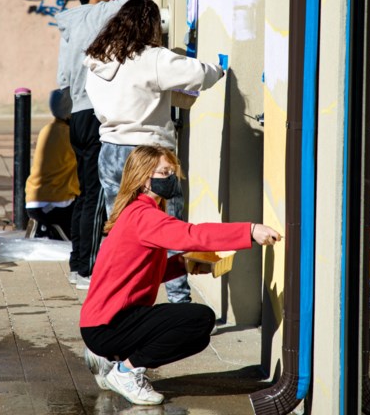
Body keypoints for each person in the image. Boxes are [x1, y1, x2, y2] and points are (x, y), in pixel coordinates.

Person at [79, 145, 280, 406]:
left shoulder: (137, 213)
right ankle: (126, 372)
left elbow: (139, 273)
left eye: (172, 172)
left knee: (199, 336)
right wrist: (249, 231)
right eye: (164, 172)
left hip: (105, 323)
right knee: (199, 318)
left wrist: (183, 265)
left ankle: (111, 361)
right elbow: (192, 235)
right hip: (109, 324)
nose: (171, 179)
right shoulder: (144, 217)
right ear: (143, 178)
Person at [84, 0, 225, 303]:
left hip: (110, 150)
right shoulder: (153, 58)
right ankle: (179, 300)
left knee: (122, 232)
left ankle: (119, 299)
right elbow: (200, 74)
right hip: (149, 155)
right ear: (151, 26)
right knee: (170, 227)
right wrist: (220, 70)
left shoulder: (97, 58)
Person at [56, 0, 174, 290]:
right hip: (94, 114)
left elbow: (63, 75)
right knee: (96, 197)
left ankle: (78, 263)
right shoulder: (99, 14)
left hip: (76, 115)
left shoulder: (71, 22)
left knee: (85, 193)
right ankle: (87, 269)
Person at [24, 89, 78, 242]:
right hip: (56, 203)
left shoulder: (46, 130)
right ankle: (52, 227)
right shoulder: (70, 134)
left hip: (32, 198)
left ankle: (44, 227)